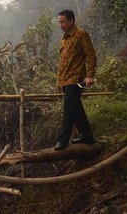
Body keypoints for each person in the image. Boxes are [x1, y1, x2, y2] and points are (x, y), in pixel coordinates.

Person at [53, 9, 97, 151]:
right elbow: (64, 61)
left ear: (71, 20)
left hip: (76, 79)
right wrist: (59, 81)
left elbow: (90, 55)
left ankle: (63, 140)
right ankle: (87, 135)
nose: (61, 25)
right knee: (76, 108)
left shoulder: (81, 34)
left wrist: (90, 75)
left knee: (68, 109)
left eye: (63, 22)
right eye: (59, 22)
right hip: (66, 80)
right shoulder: (65, 38)